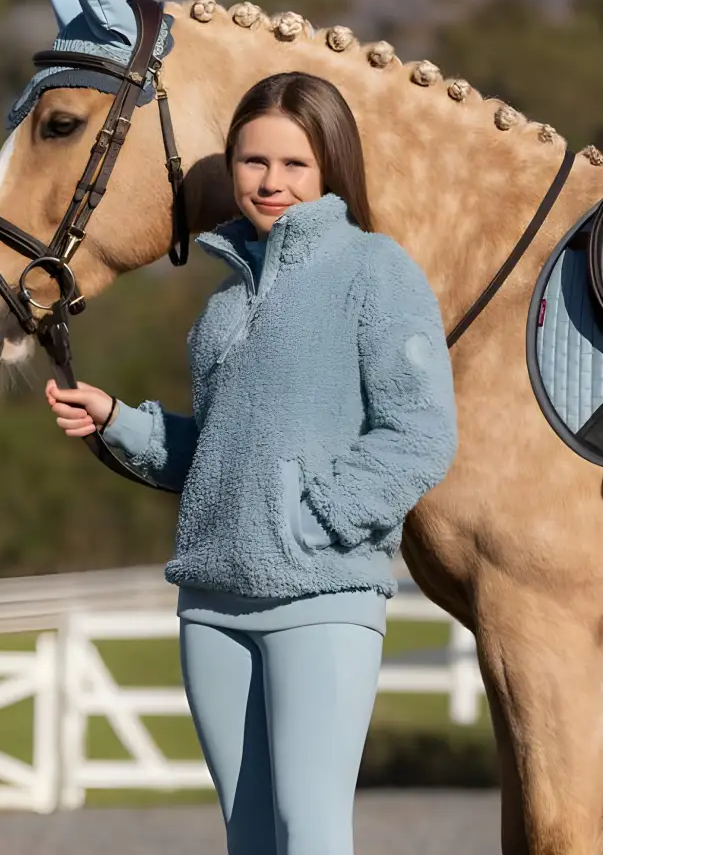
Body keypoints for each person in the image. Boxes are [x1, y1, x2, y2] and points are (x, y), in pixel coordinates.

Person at [45, 71, 458, 855]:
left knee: (311, 834)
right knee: (251, 838)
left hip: (322, 595)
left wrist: (313, 518)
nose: (271, 183)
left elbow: (421, 433)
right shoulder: (222, 308)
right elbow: (216, 456)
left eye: (294, 164)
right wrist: (118, 422)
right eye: (252, 162)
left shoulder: (376, 271)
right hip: (211, 604)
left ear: (331, 166)